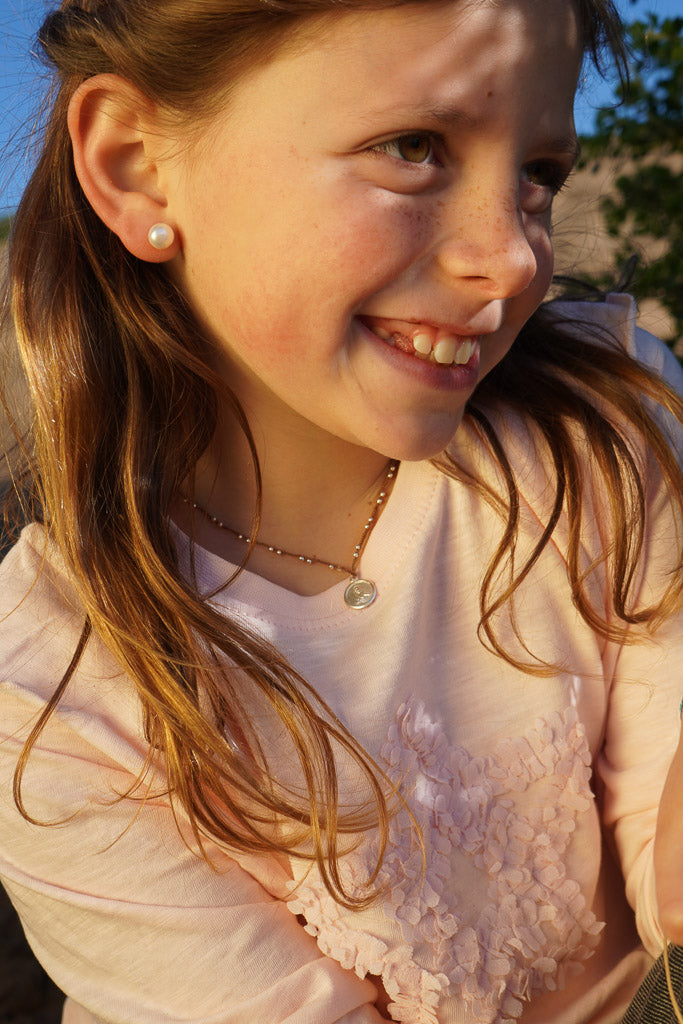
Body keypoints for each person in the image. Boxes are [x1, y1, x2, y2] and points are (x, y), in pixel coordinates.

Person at [0, 0, 681, 1022]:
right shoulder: (51, 689)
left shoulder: (606, 428)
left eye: (539, 173)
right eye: (413, 148)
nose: (512, 260)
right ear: (138, 165)